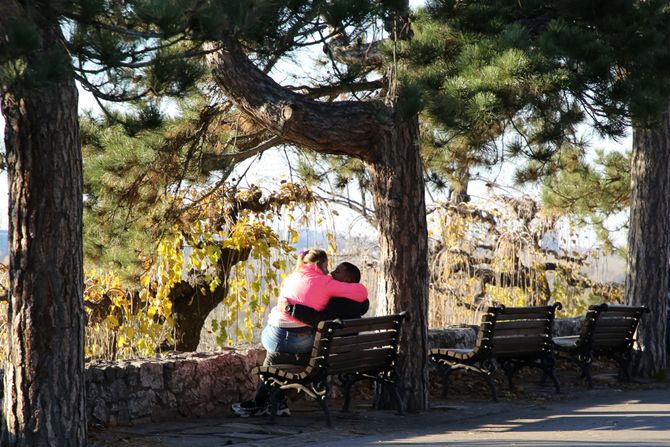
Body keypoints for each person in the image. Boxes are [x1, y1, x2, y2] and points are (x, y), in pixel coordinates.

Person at [232, 249, 368, 417]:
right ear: (321, 264)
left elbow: (319, 316)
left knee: (273, 357)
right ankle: (274, 403)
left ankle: (265, 403)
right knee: (277, 356)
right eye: (329, 266)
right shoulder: (331, 286)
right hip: (314, 347)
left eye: (337, 270)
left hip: (277, 336)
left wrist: (289, 309)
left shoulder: (292, 277)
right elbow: (362, 293)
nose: (331, 271)